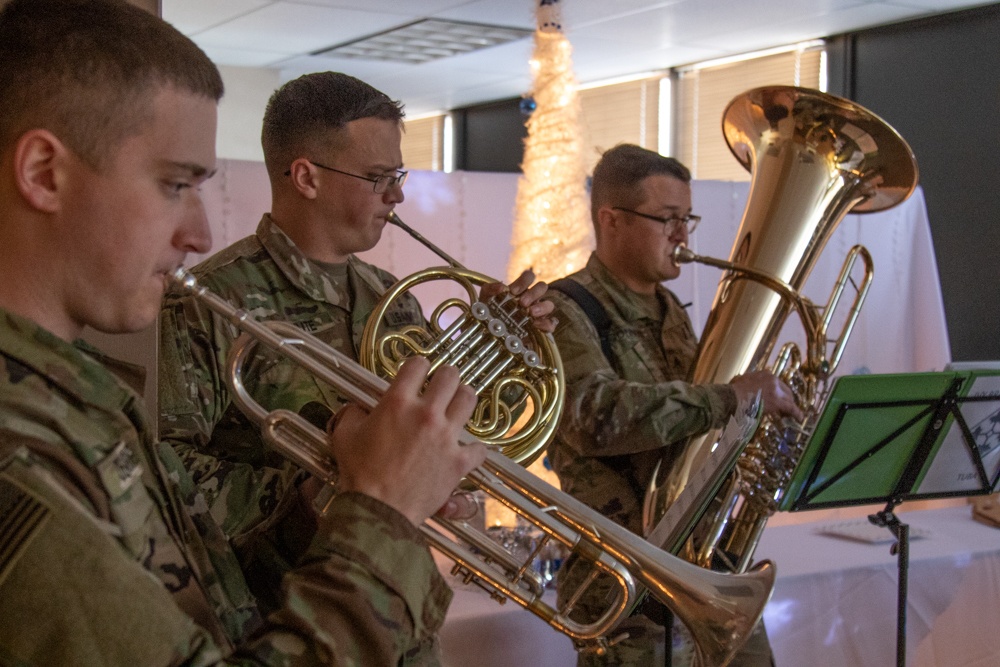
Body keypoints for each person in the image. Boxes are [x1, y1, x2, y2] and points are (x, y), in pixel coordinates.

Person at [0, 0, 486, 664]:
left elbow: (206, 600)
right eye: (175, 184)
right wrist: (382, 512)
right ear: (43, 174)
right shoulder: (19, 442)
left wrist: (326, 504)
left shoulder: (77, 395)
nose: (198, 234)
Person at [157, 71, 554, 615]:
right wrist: (335, 485)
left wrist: (511, 347)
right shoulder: (208, 301)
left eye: (398, 174)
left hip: (395, 602)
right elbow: (166, 471)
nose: (398, 195)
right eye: (378, 177)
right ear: (306, 177)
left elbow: (465, 426)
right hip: (280, 612)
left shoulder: (393, 299)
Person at [546, 144, 803, 666]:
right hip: (626, 582)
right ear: (611, 220)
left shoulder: (671, 312)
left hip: (708, 563)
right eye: (667, 219)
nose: (683, 235)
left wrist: (766, 418)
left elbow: (697, 436)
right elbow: (593, 416)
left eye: (687, 219)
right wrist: (731, 398)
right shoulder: (565, 308)